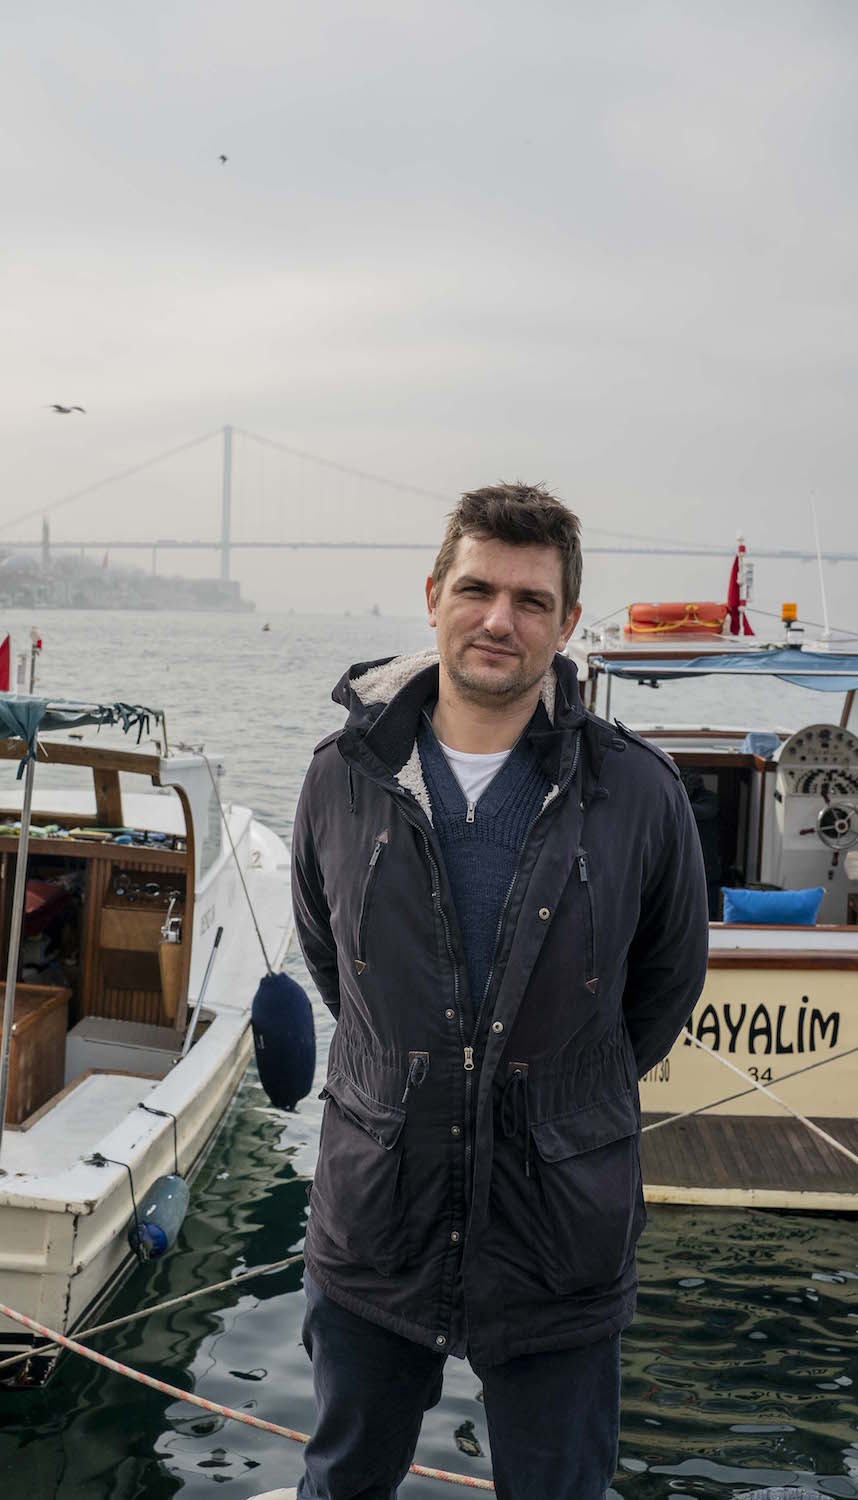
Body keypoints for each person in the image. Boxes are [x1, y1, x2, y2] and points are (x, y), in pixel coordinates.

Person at [283, 483, 709, 1500]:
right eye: (477, 590)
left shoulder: (639, 793)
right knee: (342, 1481)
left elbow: (662, 989)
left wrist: (550, 1094)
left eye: (530, 601)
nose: (498, 620)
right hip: (380, 1214)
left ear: (566, 625)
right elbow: (331, 957)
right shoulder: (339, 777)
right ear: (433, 595)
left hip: (561, 1226)